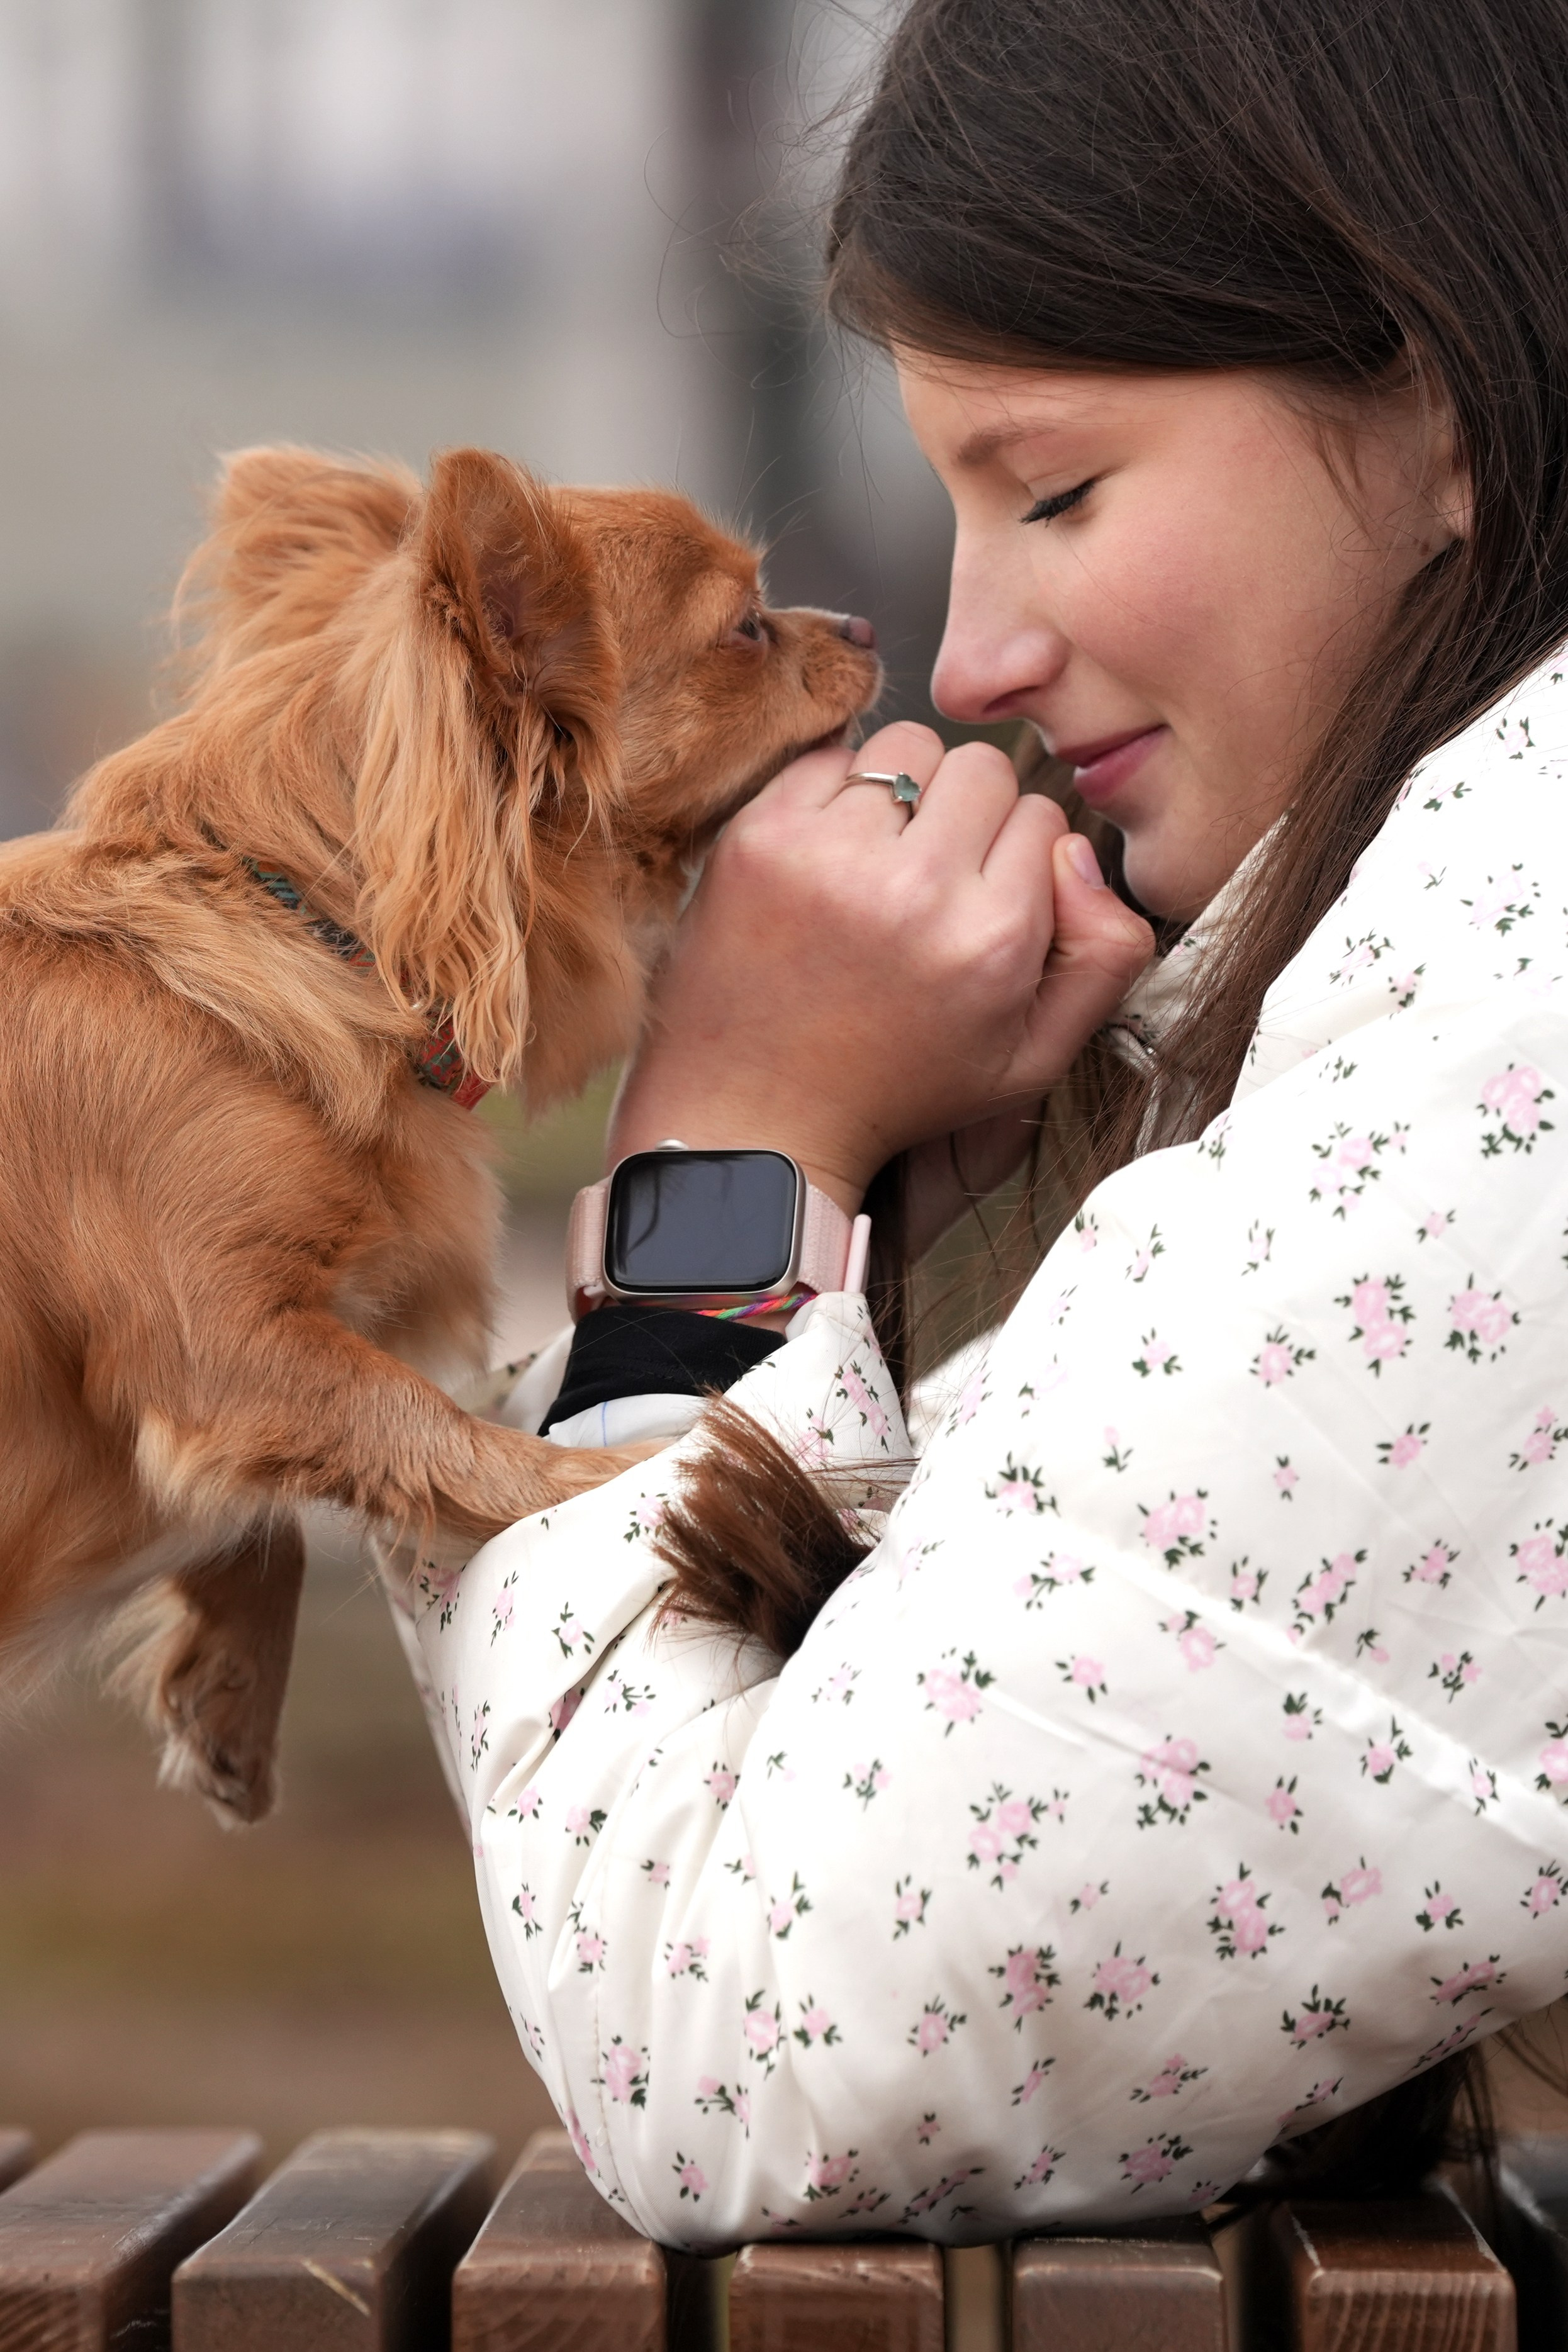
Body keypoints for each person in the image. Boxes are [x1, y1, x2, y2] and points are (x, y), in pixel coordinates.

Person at [397, 0, 1568, 2243]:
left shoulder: (1502, 1052)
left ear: (1442, 402)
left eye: (1056, 491)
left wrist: (723, 1185)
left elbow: (747, 2043)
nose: (970, 659)